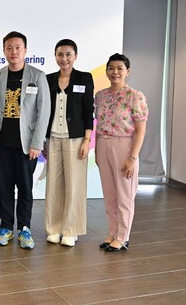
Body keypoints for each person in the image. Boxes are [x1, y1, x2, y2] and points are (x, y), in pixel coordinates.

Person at [0, 31, 50, 250]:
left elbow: (43, 112)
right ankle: (6, 226)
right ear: (4, 50)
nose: (13, 51)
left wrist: (37, 143)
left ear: (25, 50)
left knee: (25, 188)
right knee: (4, 187)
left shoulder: (37, 75)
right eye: (9, 47)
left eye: (18, 47)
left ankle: (24, 227)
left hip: (28, 145)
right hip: (2, 143)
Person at [95, 53, 148, 252]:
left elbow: (141, 129)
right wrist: (99, 151)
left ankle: (123, 236)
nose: (115, 72)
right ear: (106, 70)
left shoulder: (136, 95)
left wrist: (132, 158)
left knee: (125, 195)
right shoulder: (100, 95)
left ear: (127, 71)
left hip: (124, 145)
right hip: (103, 144)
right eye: (111, 68)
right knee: (109, 195)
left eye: (119, 68)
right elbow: (99, 123)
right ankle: (112, 232)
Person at [44, 39, 94, 247]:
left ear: (75, 56)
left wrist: (87, 140)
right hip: (53, 137)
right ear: (55, 56)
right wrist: (43, 140)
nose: (63, 58)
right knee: (53, 186)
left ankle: (71, 230)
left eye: (68, 54)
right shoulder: (47, 79)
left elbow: (88, 110)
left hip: (75, 139)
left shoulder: (84, 78)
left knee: (74, 185)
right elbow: (43, 111)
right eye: (60, 54)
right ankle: (54, 228)